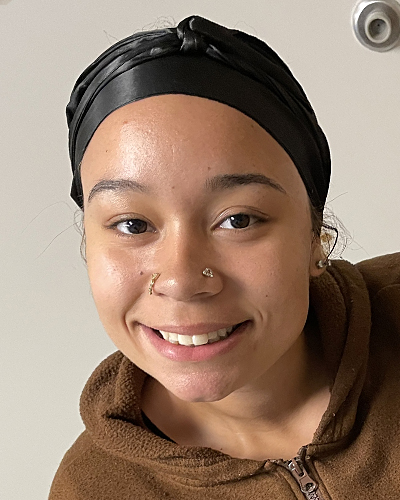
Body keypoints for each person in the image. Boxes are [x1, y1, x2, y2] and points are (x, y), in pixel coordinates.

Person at [49, 15, 400, 500]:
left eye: (238, 220)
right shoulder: (90, 489)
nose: (181, 280)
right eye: (133, 225)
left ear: (314, 235)